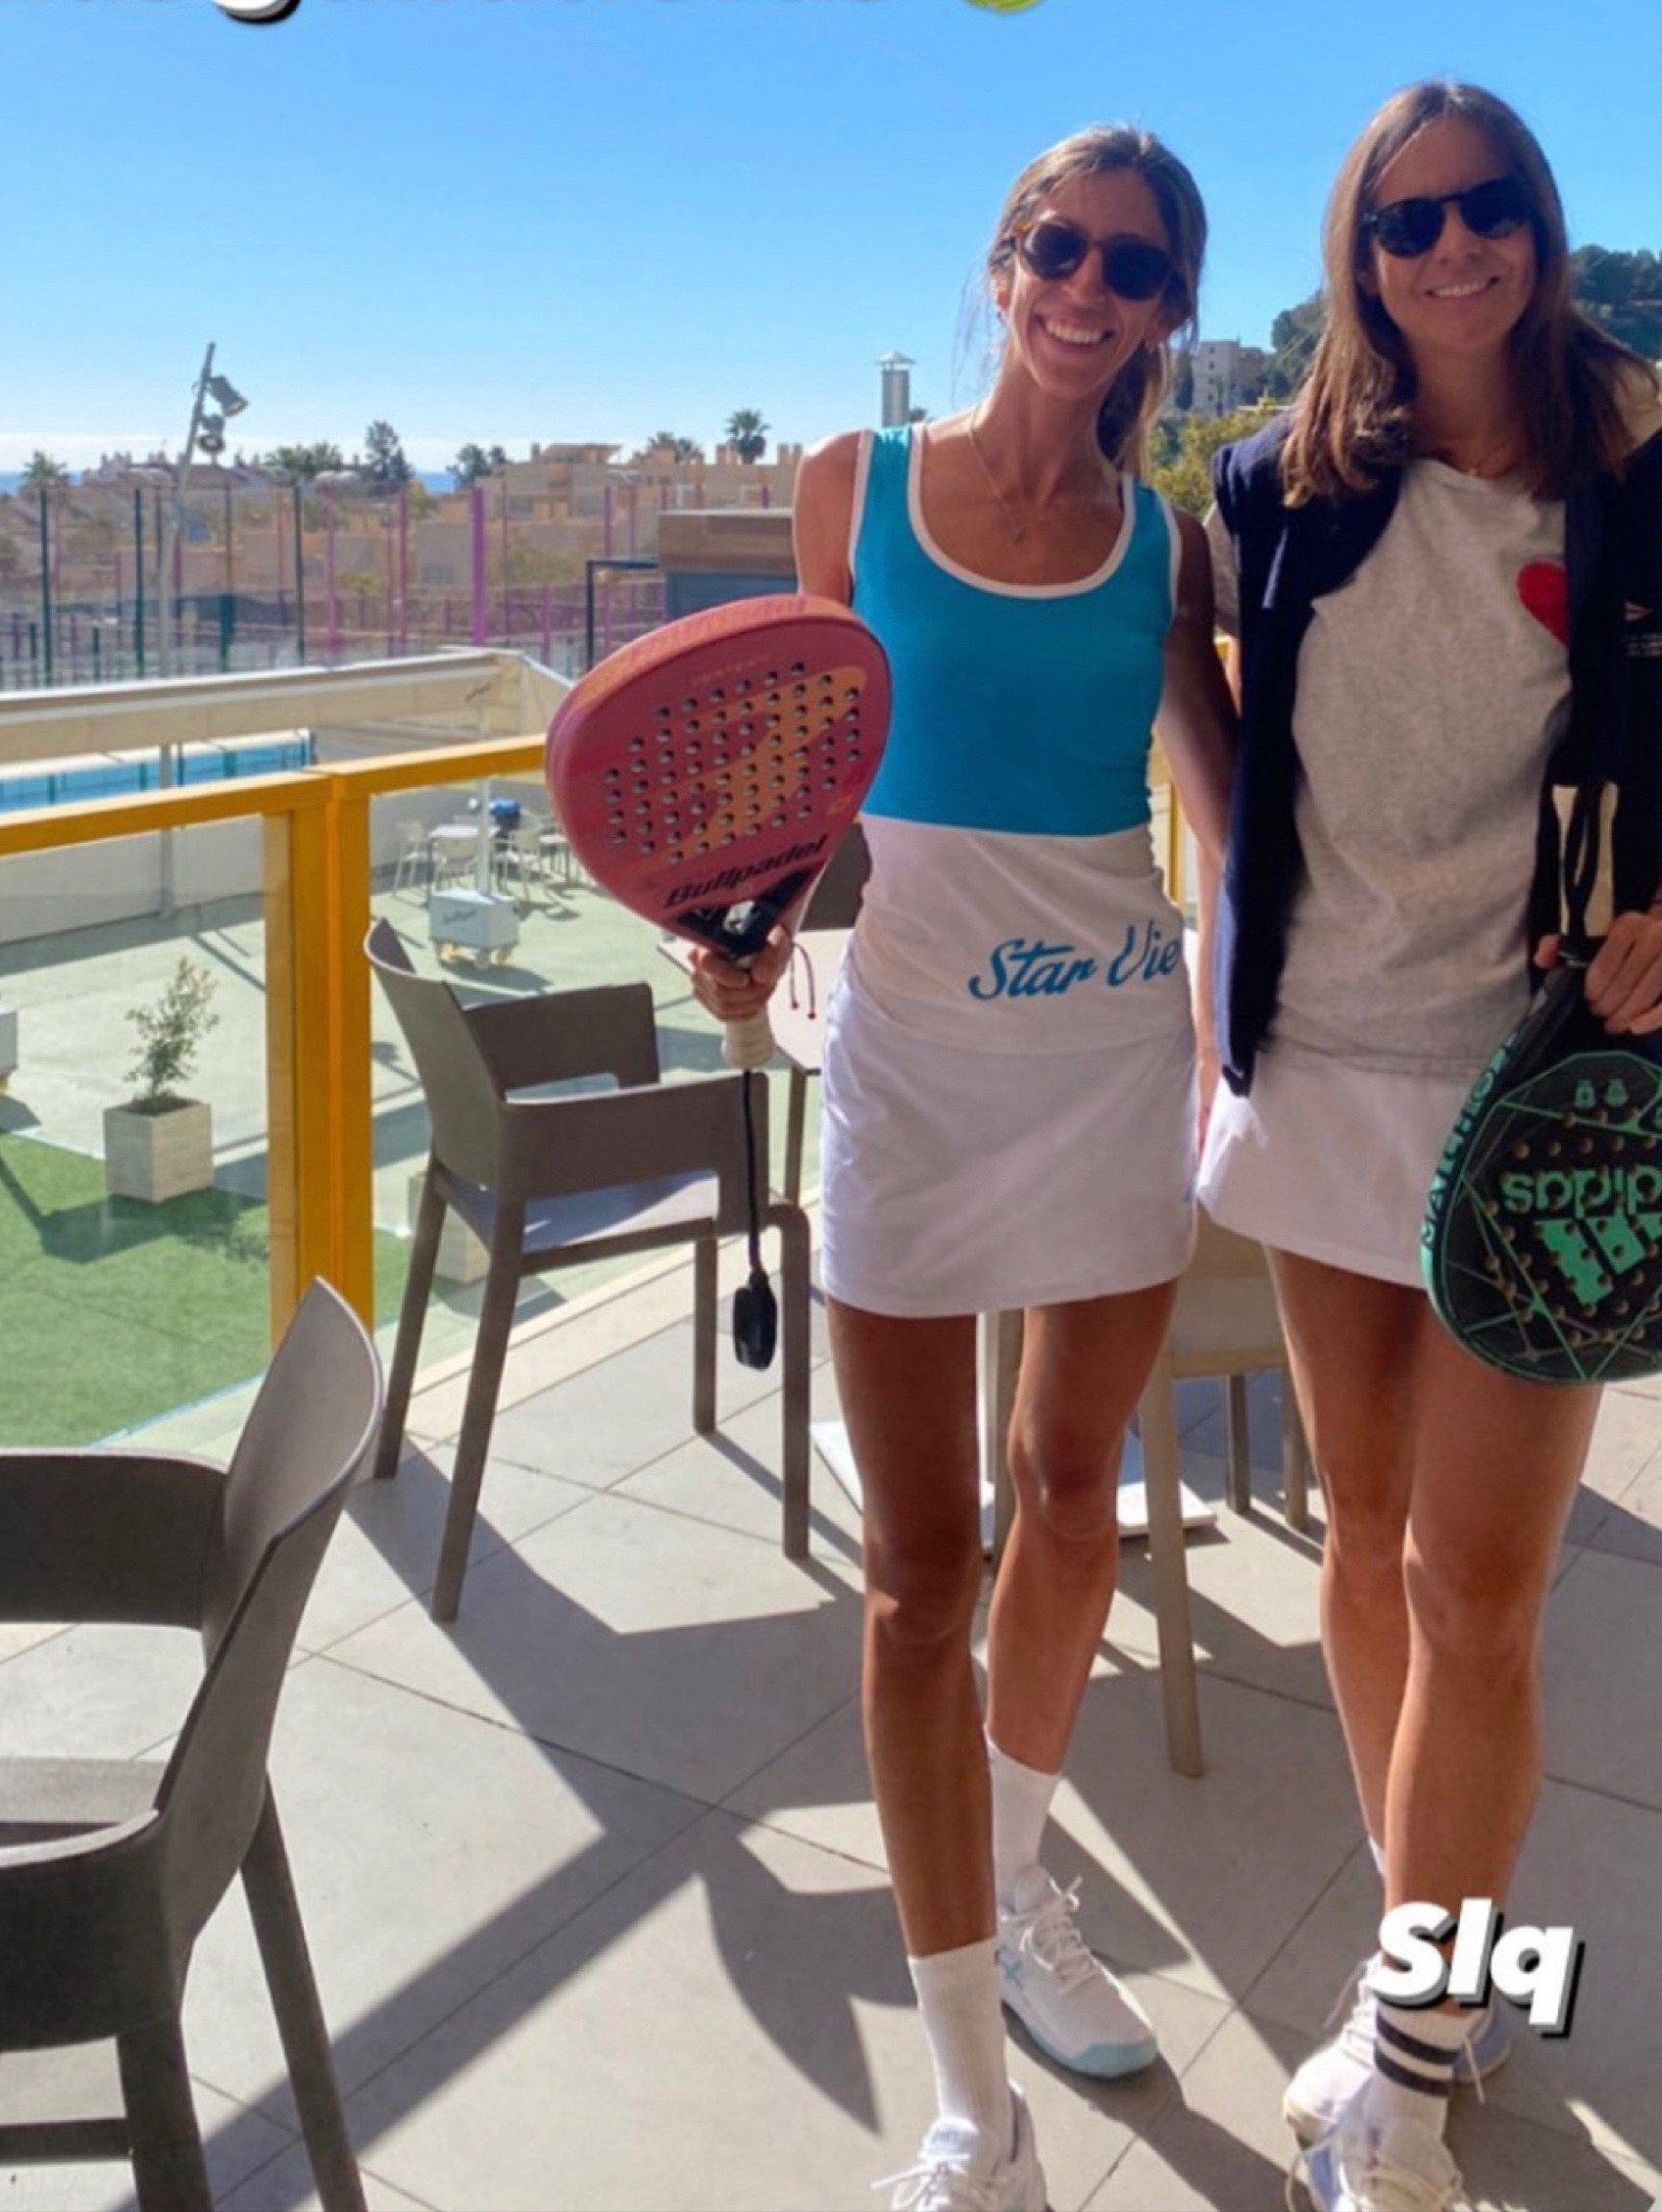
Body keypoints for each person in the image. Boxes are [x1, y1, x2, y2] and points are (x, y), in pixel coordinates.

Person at [693, 123, 1235, 2212]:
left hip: (1108, 1051)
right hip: (911, 1067)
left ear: (1169, 308)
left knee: (1072, 1501)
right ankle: (971, 2117)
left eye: (1135, 263)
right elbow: (794, 782)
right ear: (1006, 267)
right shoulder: (853, 489)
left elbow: (1227, 815)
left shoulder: (1164, 547)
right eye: (1060, 245)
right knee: (922, 1580)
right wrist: (745, 943)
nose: (1090, 285)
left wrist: (1259, 1026)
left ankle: (1019, 1886)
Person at [1199, 79, 1661, 2212]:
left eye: (1487, 210)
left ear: (1541, 227)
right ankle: (1441, 1979)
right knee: (1368, 1533)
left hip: (1543, 1086)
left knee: (1477, 1592)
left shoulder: (1638, 461)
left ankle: (1395, 2088)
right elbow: (1184, 685)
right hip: (1320, 1059)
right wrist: (1220, 907)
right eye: (1407, 221)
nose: (1451, 248)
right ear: (1358, 255)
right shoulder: (1278, 482)